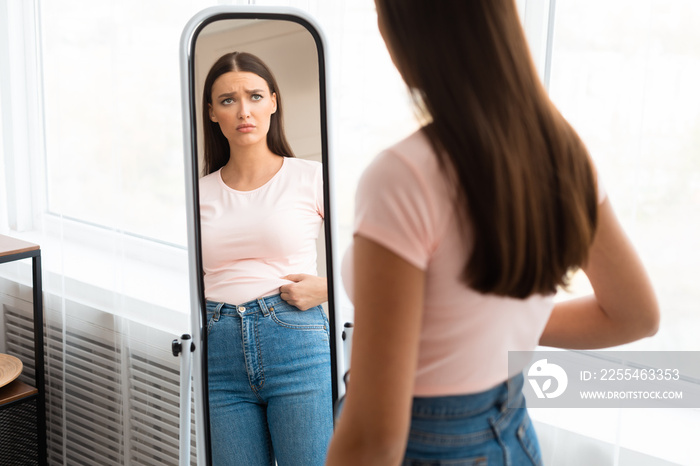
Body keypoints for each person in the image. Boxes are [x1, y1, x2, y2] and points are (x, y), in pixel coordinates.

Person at [325, 2, 659, 465]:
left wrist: (498, 324)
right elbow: (635, 315)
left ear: (404, 30)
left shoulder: (403, 175)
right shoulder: (561, 149)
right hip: (513, 436)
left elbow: (375, 438)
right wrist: (502, 323)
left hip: (428, 446)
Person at [199, 51, 332, 466]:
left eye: (255, 96)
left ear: (273, 101)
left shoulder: (311, 177)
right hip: (217, 348)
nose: (244, 111)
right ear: (212, 114)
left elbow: (376, 260)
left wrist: (328, 288)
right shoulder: (196, 193)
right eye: (227, 100)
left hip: (296, 342)